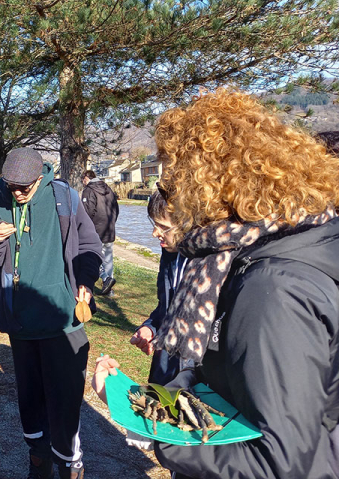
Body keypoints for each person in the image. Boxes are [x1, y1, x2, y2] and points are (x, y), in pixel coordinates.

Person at [92, 88, 339, 479]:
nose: (169, 195)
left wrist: (148, 428)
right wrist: (143, 399)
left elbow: (280, 464)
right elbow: (228, 383)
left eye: (174, 182)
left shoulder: (274, 288)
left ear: (208, 187)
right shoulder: (275, 246)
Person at [0, 147, 102, 479]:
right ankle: (38, 461)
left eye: (24, 187)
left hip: (64, 322)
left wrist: (85, 280)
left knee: (65, 402)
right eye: (11, 186)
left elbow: (90, 246)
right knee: (30, 401)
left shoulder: (64, 197)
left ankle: (70, 466)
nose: (16, 193)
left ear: (40, 178)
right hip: (20, 323)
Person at [129, 190, 188, 385]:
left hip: (198, 378)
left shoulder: (215, 264)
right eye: (154, 224)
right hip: (165, 368)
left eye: (163, 226)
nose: (155, 233)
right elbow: (166, 307)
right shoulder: (169, 253)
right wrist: (151, 328)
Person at [81, 169, 119, 295]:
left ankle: (104, 278)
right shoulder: (108, 189)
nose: (82, 183)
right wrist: (112, 222)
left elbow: (87, 212)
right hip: (109, 228)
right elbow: (116, 209)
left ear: (86, 178)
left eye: (83, 180)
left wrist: (85, 229)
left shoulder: (88, 190)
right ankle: (109, 290)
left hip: (95, 230)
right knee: (108, 258)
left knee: (93, 257)